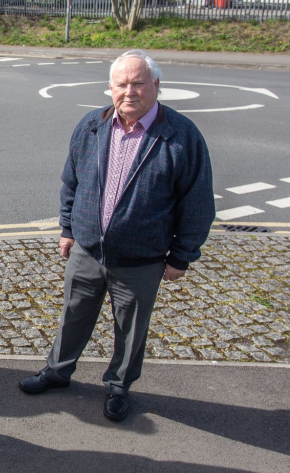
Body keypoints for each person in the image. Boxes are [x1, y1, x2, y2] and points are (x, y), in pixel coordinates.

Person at [18, 49, 214, 421]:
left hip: (142, 259)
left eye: (138, 83)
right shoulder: (92, 125)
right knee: (73, 315)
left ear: (156, 86)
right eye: (121, 84)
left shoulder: (181, 136)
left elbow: (198, 202)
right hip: (87, 250)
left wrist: (181, 256)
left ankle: (119, 387)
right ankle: (57, 371)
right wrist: (67, 228)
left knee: (131, 329)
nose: (130, 91)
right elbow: (70, 181)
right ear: (110, 88)